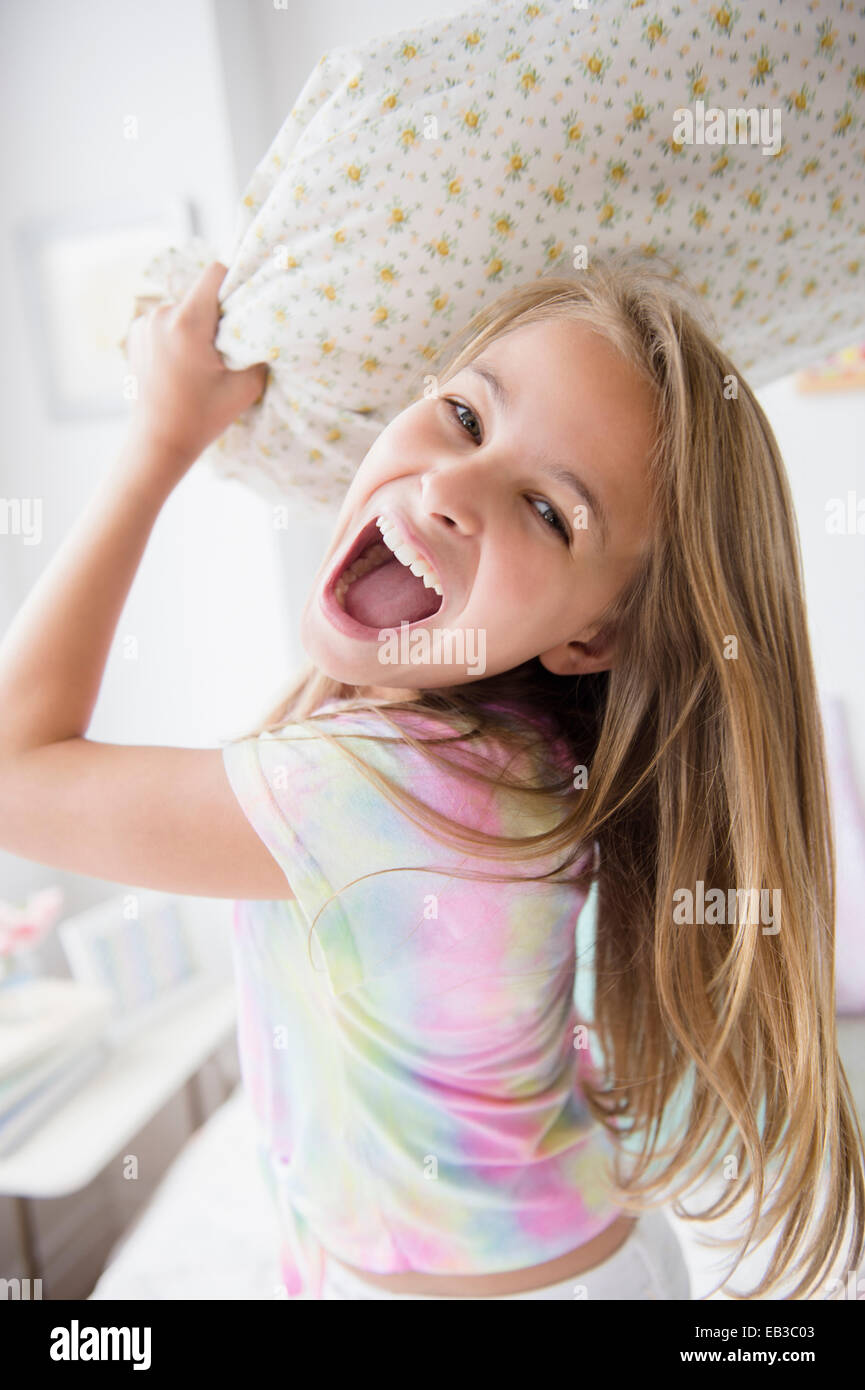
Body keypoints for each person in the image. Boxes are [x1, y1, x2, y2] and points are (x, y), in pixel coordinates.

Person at [0, 259, 861, 1301]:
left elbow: (14, 770)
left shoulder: (391, 791)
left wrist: (158, 443)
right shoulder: (519, 745)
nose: (450, 490)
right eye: (462, 415)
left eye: (548, 511)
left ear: (596, 635)